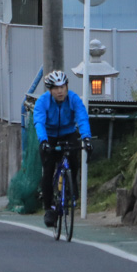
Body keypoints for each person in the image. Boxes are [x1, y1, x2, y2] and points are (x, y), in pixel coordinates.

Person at [34, 70, 92, 228]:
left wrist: (86, 137)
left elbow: (82, 117)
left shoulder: (73, 99)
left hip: (68, 133)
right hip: (50, 135)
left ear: (67, 87)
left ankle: (72, 188)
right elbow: (39, 122)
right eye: (55, 88)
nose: (60, 91)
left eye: (62, 87)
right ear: (50, 90)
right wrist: (44, 141)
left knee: (74, 161)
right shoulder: (43, 101)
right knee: (48, 170)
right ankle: (48, 208)